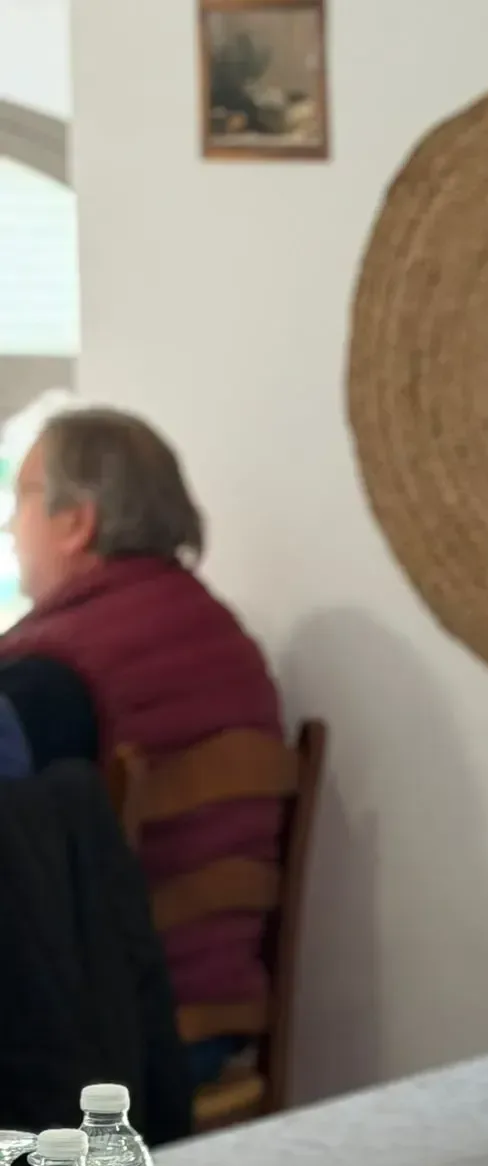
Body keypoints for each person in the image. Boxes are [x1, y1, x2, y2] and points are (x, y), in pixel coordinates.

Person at [0, 408, 285, 1086]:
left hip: (107, 1040)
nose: (10, 525)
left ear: (77, 521)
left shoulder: (56, 672)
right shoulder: (226, 641)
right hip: (211, 1017)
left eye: (23, 499)